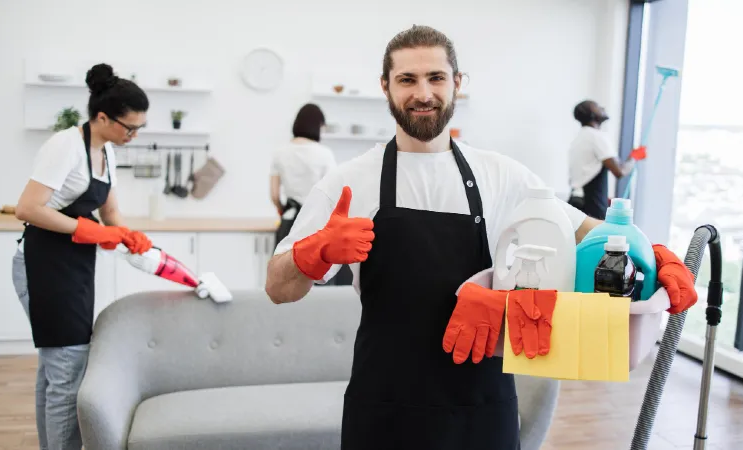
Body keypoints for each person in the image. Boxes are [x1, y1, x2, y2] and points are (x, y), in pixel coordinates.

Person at [265, 26, 696, 450]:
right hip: (385, 406)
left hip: (481, 406)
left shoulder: (500, 175)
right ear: (385, 86)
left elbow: (590, 232)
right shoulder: (349, 182)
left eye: (435, 77)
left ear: (457, 82)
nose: (423, 93)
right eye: (406, 79)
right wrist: (313, 254)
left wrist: (651, 253)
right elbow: (277, 287)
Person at [11, 63, 153, 450]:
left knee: (56, 366)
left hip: (73, 266)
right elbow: (27, 208)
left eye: (139, 127)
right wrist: (88, 230)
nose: (134, 135)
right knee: (68, 368)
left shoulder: (106, 149)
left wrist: (125, 234)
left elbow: (110, 211)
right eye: (129, 127)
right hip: (43, 264)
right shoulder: (66, 145)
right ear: (103, 117)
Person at [270, 103, 337, 247]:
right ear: (318, 126)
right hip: (316, 224)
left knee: (283, 267)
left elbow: (274, 195)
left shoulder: (279, 153)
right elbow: (333, 194)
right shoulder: (325, 154)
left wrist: (283, 209)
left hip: (289, 221)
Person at [567, 99, 647, 219]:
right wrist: (634, 157)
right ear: (591, 114)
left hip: (577, 201)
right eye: (598, 106)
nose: (602, 108)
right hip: (591, 205)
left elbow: (586, 174)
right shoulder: (597, 136)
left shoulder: (580, 137)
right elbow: (620, 171)